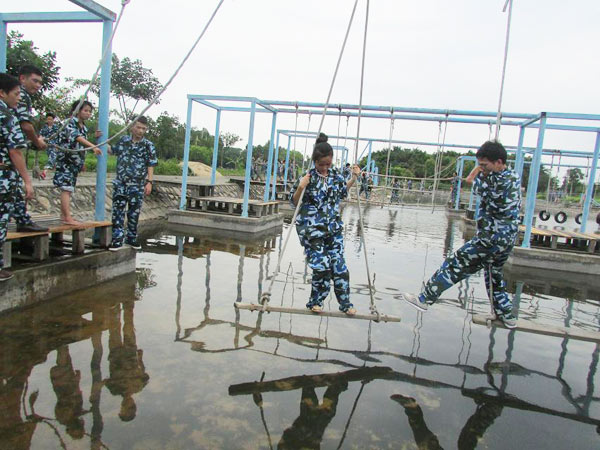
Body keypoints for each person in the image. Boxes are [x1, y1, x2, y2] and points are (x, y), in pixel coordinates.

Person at [403, 141, 520, 328]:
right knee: (494, 276)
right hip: (507, 239)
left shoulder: (495, 182)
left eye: (485, 165)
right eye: (480, 165)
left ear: (499, 162)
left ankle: (424, 299)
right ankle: (507, 316)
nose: (482, 168)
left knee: (454, 264)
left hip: (490, 239)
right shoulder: (513, 176)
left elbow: (470, 180)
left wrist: (477, 170)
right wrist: (484, 166)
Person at [290, 133, 360, 315]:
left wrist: (353, 178)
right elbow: (294, 202)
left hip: (333, 229)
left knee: (339, 267)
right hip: (312, 230)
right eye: (321, 164)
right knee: (322, 267)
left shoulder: (335, 175)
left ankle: (346, 304)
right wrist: (301, 186)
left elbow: (342, 192)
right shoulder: (307, 177)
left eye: (327, 164)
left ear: (331, 161)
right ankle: (316, 302)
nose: (324, 168)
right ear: (315, 161)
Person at [0, 73, 47, 281]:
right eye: (16, 94)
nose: (19, 98)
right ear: (2, 93)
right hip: (4, 176)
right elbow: (15, 152)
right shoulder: (7, 117)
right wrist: (27, 181)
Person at [9, 66, 49, 233]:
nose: (38, 85)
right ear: (22, 79)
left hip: (11, 145)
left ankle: (22, 219)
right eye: (35, 81)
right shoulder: (22, 96)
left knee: (13, 185)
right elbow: (26, 125)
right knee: (14, 183)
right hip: (9, 148)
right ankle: (22, 220)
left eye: (40, 82)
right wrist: (37, 141)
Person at [108, 116, 157, 250]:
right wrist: (100, 140)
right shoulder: (123, 140)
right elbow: (112, 150)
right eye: (138, 127)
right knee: (118, 211)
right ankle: (117, 239)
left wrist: (149, 182)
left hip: (137, 184)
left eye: (144, 128)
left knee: (134, 213)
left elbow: (151, 164)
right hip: (121, 183)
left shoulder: (148, 145)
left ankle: (131, 238)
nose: (140, 131)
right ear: (132, 127)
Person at [53, 100, 102, 225]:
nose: (88, 113)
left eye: (90, 111)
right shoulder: (69, 122)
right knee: (66, 188)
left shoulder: (83, 127)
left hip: (74, 162)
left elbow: (81, 146)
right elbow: (76, 137)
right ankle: (67, 217)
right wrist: (93, 146)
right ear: (77, 110)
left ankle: (64, 216)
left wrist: (82, 162)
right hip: (66, 161)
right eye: (85, 110)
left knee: (69, 188)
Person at [40, 112, 60, 178]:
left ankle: (44, 172)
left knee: (52, 158)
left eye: (51, 119)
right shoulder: (44, 128)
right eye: (48, 119)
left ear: (53, 120)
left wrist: (58, 145)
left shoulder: (56, 127)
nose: (49, 121)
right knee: (54, 160)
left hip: (55, 145)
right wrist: (42, 140)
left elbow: (59, 137)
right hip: (47, 146)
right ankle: (57, 175)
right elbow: (41, 136)